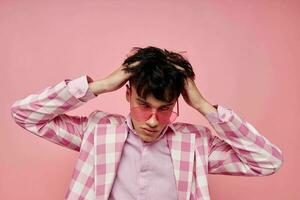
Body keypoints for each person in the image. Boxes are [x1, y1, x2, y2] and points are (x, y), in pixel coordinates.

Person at [11, 46, 283, 200]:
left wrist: (204, 106)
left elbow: (267, 161)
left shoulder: (195, 144)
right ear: (127, 94)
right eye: (144, 106)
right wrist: (101, 85)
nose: (153, 121)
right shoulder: (97, 131)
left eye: (165, 109)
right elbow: (25, 114)